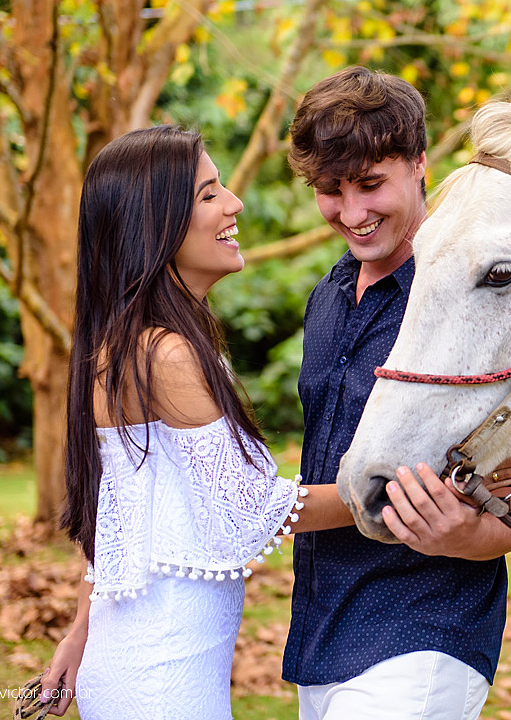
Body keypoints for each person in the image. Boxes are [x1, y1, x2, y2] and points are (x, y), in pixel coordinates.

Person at [36, 125, 396, 718]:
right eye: (208, 194)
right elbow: (251, 511)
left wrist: (83, 626)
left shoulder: (131, 343)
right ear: (154, 226)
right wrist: (405, 488)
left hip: (138, 658)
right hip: (161, 678)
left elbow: (118, 514)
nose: (234, 203)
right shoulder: (162, 354)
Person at [282, 66, 511, 720]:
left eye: (370, 184)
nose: (352, 212)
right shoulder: (327, 297)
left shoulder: (483, 296)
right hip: (320, 635)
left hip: (426, 630)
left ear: (419, 165)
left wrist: (468, 530)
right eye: (330, 190)